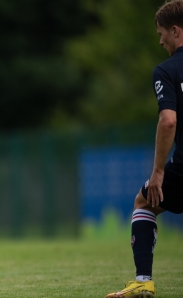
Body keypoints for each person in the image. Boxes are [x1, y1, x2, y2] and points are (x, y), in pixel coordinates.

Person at [106, 1, 183, 297]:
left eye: (162, 33)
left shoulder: (167, 70)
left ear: (175, 31)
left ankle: (143, 281)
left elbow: (168, 121)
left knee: (144, 202)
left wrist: (159, 171)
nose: (160, 39)